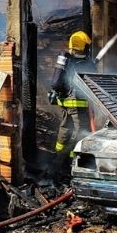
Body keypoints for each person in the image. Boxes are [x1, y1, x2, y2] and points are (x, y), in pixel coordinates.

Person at [48, 30, 96, 166]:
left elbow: (56, 83)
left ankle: (57, 156)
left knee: (65, 128)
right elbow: (94, 80)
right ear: (83, 46)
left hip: (65, 102)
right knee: (80, 131)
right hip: (78, 104)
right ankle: (72, 159)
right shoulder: (85, 62)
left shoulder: (66, 59)